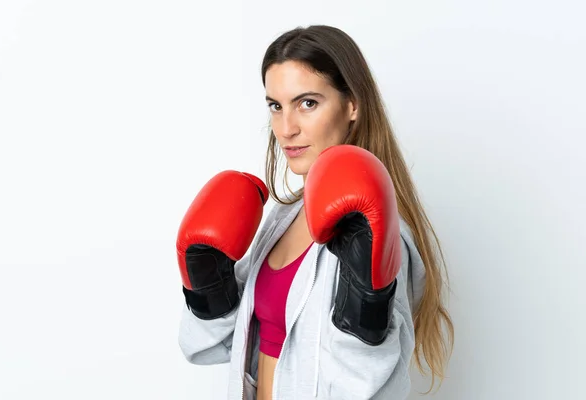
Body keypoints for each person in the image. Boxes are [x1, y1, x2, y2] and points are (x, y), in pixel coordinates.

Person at [176, 25, 454, 400]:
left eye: (307, 103)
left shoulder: (378, 229)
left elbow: (364, 382)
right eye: (276, 106)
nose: (286, 128)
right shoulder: (282, 217)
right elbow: (219, 346)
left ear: (352, 104)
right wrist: (208, 282)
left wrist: (364, 311)